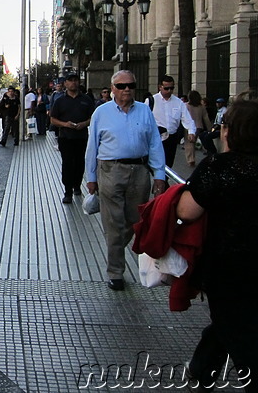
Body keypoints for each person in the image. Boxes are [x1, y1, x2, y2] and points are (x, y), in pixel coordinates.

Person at [177, 98, 258, 391]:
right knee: (231, 320)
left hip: (228, 265)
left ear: (230, 131)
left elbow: (187, 211)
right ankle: (202, 367)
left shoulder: (219, 166)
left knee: (233, 324)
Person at [85, 70, 166, 291]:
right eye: (121, 86)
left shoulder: (144, 111)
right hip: (110, 170)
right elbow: (92, 147)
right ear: (113, 89)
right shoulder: (101, 113)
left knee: (135, 220)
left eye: (130, 85)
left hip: (139, 170)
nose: (126, 89)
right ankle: (115, 272)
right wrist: (91, 177)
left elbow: (154, 144)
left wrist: (159, 175)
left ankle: (116, 248)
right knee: (113, 223)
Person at [49, 73, 95, 204]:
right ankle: (67, 191)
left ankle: (77, 186)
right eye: (70, 81)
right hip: (65, 137)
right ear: (66, 84)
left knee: (80, 162)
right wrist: (65, 124)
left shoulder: (86, 100)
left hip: (81, 137)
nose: (73, 83)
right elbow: (53, 119)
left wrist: (84, 124)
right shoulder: (60, 101)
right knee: (68, 163)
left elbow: (93, 117)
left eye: (76, 80)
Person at [147, 75, 196, 168]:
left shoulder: (178, 102)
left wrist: (191, 132)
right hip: (157, 137)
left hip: (172, 138)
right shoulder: (151, 101)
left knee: (168, 165)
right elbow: (144, 120)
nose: (169, 91)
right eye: (166, 88)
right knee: (157, 165)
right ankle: (161, 181)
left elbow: (187, 118)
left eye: (171, 88)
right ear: (160, 87)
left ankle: (163, 181)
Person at [184, 90, 212, 167]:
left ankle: (191, 159)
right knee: (194, 142)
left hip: (188, 127)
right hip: (198, 126)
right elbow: (205, 117)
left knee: (189, 143)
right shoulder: (201, 106)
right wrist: (209, 127)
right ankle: (194, 157)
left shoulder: (186, 106)